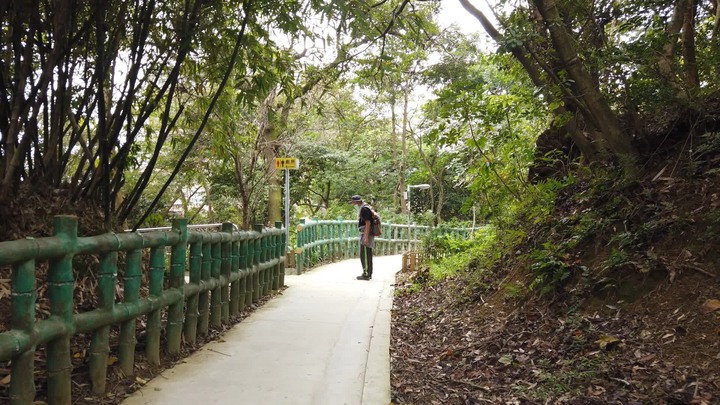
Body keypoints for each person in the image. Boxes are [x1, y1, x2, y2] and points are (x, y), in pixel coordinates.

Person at [349, 195, 374, 280]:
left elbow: (368, 223)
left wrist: (366, 237)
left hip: (365, 233)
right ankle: (368, 273)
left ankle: (366, 273)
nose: (353, 204)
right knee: (366, 254)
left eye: (353, 202)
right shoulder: (365, 208)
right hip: (365, 233)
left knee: (365, 254)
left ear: (357, 202)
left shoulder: (364, 209)